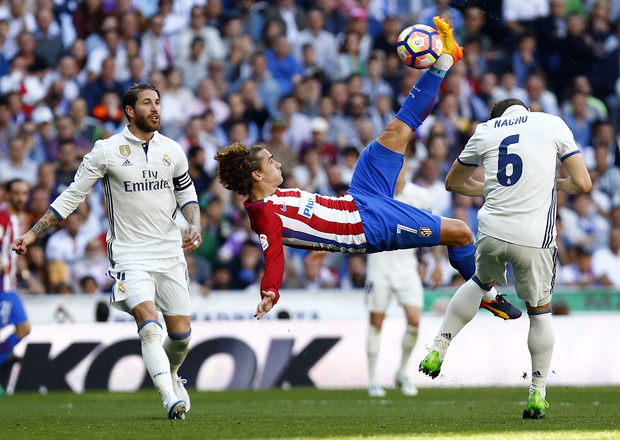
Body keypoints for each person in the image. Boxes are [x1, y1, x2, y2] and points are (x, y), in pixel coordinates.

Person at [214, 17, 520, 322]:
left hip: (359, 196)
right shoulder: (264, 213)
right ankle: (488, 297)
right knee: (461, 232)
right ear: (257, 175)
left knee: (395, 131)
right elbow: (273, 255)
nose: (278, 163)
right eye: (270, 161)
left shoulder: (274, 199)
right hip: (367, 224)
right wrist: (270, 290)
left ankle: (445, 59)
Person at [12, 83, 202, 420]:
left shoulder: (173, 149)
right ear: (130, 111)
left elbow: (187, 195)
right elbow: (72, 195)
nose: (155, 108)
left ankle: (172, 375)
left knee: (182, 337)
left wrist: (194, 226)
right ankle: (168, 398)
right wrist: (32, 233)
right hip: (130, 255)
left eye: (158, 102)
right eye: (147, 103)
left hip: (171, 253)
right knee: (148, 322)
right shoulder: (106, 150)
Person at [419, 98, 592, 419]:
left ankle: (438, 347)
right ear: (525, 110)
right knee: (539, 311)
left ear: (497, 117)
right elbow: (583, 183)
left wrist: (492, 188)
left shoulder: (485, 130)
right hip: (534, 237)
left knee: (480, 282)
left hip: (493, 230)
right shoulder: (551, 122)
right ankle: (537, 394)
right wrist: (548, 185)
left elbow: (452, 183)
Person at [365, 164, 441, 398]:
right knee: (377, 322)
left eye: (401, 164)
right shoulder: (374, 194)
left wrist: (436, 262)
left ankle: (401, 372)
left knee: (414, 321)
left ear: (407, 168)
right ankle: (373, 379)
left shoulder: (420, 196)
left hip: (406, 265)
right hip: (379, 265)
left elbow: (433, 230)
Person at [0, 179, 31, 397]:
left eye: (24, 193)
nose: (21, 198)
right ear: (8, 194)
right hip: (1, 287)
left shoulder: (18, 219)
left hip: (10, 287)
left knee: (24, 328)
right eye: (17, 193)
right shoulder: (2, 217)